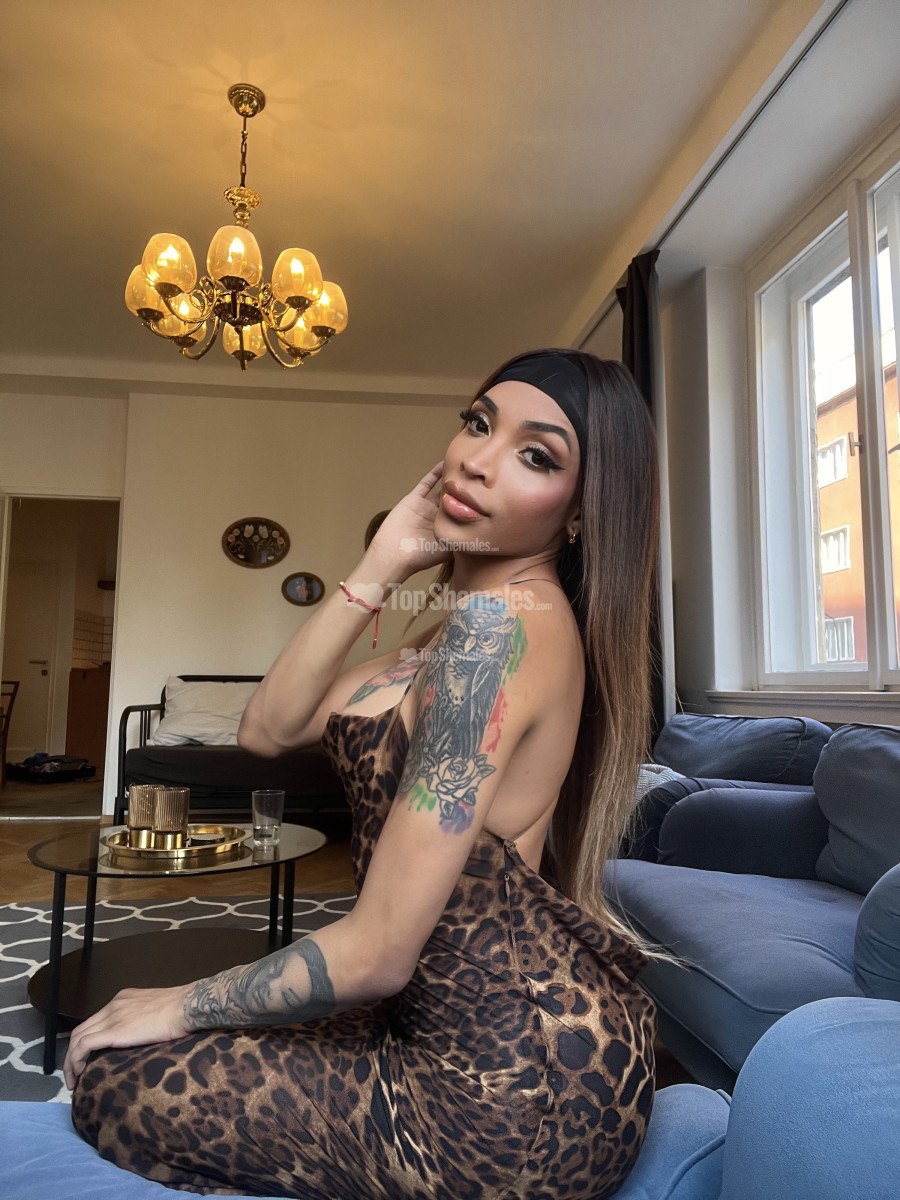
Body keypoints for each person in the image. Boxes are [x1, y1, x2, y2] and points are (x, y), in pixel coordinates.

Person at [68, 348, 664, 1200]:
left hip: (506, 1100)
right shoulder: (453, 628)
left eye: (536, 455)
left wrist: (177, 1001)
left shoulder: (499, 632)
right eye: (478, 424)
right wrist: (384, 562)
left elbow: (379, 952)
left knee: (117, 1082)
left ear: (579, 513)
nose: (478, 460)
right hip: (454, 1034)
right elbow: (269, 728)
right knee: (170, 1048)